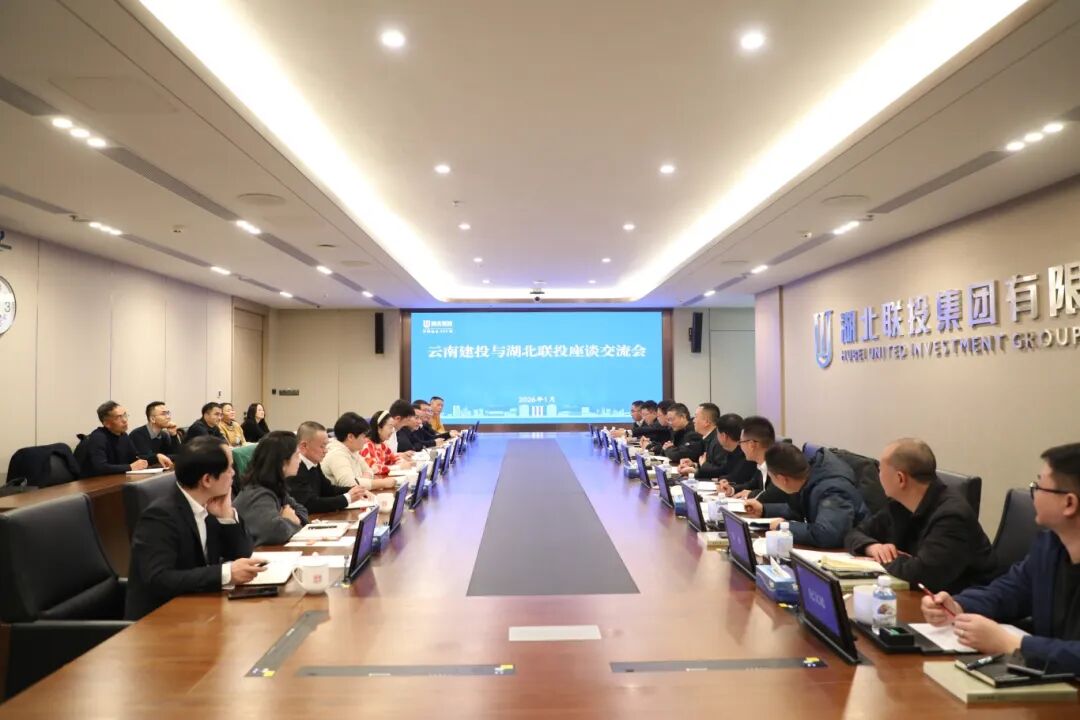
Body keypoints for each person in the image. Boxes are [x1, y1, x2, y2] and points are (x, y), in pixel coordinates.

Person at [921, 443, 1080, 672]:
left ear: (1069, 503)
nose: (1034, 494)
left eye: (1038, 487)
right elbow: (1008, 591)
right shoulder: (1049, 546)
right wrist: (958, 606)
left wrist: (1011, 644)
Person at [125, 436, 262, 620]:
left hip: (198, 608)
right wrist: (225, 573)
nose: (234, 473)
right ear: (207, 480)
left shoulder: (208, 504)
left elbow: (242, 554)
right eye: (229, 468)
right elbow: (159, 579)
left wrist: (227, 516)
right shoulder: (160, 516)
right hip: (160, 620)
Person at [844, 438, 995, 594]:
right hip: (921, 595)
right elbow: (854, 534)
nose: (878, 475)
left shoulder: (952, 516)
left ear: (900, 479)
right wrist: (872, 547)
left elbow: (923, 574)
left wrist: (883, 560)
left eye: (881, 470)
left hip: (964, 601)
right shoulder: (900, 503)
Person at [744, 442, 868, 549]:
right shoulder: (809, 476)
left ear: (782, 479)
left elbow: (828, 535)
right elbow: (800, 510)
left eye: (772, 478)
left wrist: (784, 528)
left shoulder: (832, 490)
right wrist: (764, 510)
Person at [233, 431, 310, 546]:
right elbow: (275, 532)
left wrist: (291, 519)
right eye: (297, 455)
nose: (300, 460)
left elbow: (302, 511)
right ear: (283, 463)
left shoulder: (275, 486)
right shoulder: (257, 493)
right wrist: (291, 520)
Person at [287, 421, 372, 513]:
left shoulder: (313, 463)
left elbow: (328, 489)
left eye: (326, 446)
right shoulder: (294, 469)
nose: (326, 451)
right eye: (322, 446)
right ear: (304, 446)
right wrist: (347, 498)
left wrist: (355, 490)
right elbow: (309, 504)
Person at [77, 401, 157, 477]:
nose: (125, 420)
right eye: (119, 417)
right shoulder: (98, 437)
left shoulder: (124, 436)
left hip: (115, 478)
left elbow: (135, 458)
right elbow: (100, 467)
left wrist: (156, 457)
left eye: (125, 415)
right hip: (93, 482)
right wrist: (130, 467)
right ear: (106, 423)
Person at [322, 412, 394, 491]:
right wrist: (383, 483)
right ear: (350, 437)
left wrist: (362, 481)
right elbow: (350, 485)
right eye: (363, 436)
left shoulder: (352, 450)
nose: (366, 440)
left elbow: (369, 470)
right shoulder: (336, 454)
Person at [684, 413, 757, 490]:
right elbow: (723, 471)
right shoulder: (732, 451)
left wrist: (720, 479)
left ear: (724, 436)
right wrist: (695, 469)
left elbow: (735, 478)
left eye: (717, 433)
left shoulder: (746, 454)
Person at [677, 403, 725, 476]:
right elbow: (709, 464)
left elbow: (721, 471)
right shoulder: (708, 438)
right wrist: (694, 465)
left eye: (696, 417)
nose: (693, 420)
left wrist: (699, 469)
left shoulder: (718, 441)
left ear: (706, 422)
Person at [129, 401, 180, 468]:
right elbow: (142, 458)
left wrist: (173, 435)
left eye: (168, 413)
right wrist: (157, 457)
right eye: (163, 414)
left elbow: (178, 456)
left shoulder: (164, 435)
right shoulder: (137, 435)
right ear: (152, 419)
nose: (168, 417)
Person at [361, 410, 414, 475]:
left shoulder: (382, 445)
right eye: (390, 427)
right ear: (379, 429)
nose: (392, 431)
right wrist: (398, 467)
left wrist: (403, 463)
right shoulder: (366, 445)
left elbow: (393, 458)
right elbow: (374, 469)